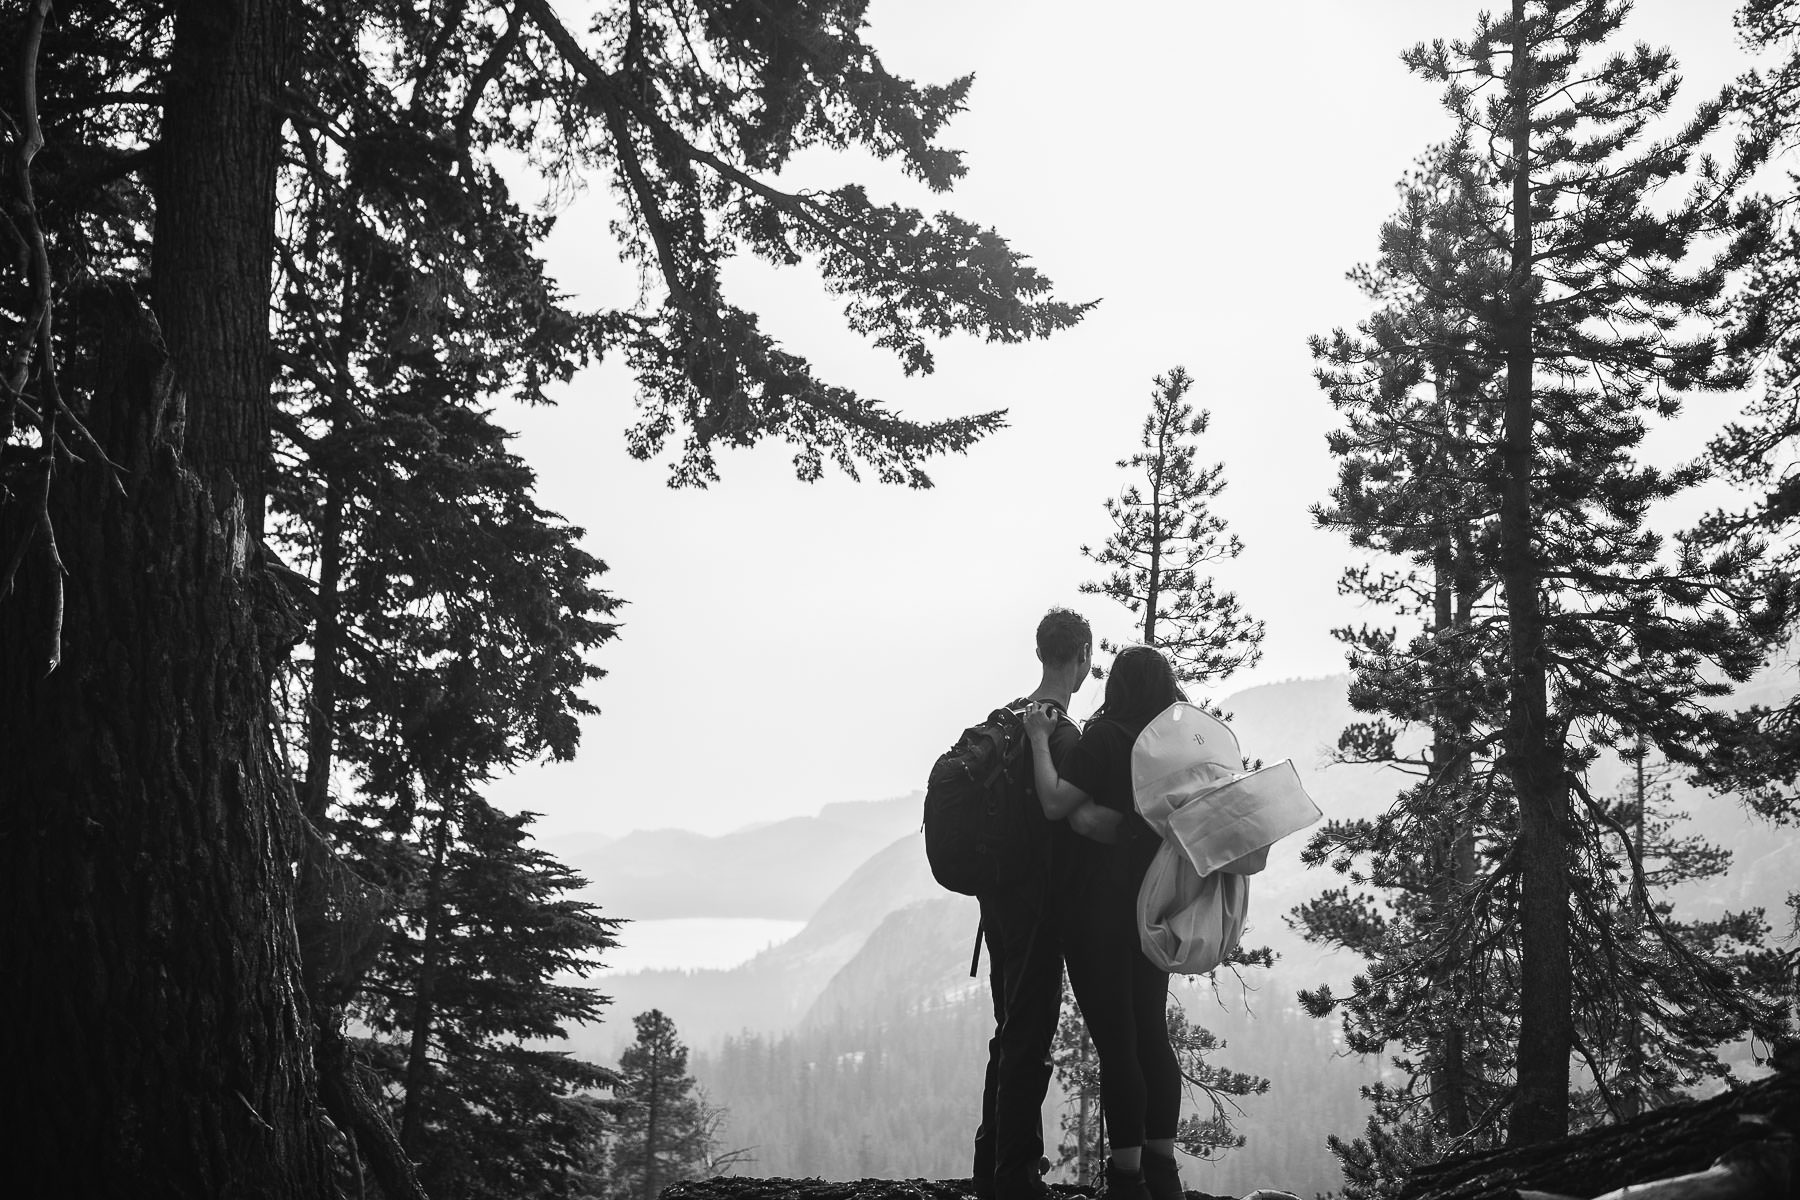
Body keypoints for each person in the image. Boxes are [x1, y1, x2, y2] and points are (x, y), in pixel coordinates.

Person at [1022, 644, 1186, 1200]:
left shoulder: (1108, 737)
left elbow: (1053, 803)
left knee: (1119, 1046)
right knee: (1152, 1037)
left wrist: (1041, 741)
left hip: (1099, 913)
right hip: (1156, 906)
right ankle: (1164, 1173)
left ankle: (1127, 1179)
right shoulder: (1172, 744)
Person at [971, 608, 1101, 1200]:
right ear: (1081, 658)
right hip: (1038, 912)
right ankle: (1015, 1176)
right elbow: (1071, 818)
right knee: (1028, 1039)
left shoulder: (1005, 723)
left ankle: (991, 1162)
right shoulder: (1061, 737)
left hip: (996, 907)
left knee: (1009, 1031)